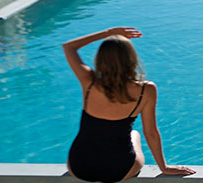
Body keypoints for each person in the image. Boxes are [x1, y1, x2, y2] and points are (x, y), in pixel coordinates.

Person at [64, 27, 196, 182]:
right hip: (120, 170)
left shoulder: (89, 81)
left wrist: (108, 33)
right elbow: (151, 132)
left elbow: (69, 46)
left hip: (79, 167)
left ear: (100, 58)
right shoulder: (146, 90)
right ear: (131, 58)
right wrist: (164, 167)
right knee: (135, 134)